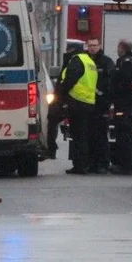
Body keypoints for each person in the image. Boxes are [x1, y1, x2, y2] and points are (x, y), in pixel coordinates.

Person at [57, 44, 98, 175]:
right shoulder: (89, 61)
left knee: (77, 135)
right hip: (88, 102)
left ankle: (79, 165)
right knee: (84, 135)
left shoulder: (76, 60)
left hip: (77, 102)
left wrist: (62, 93)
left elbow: (70, 79)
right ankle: (84, 164)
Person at [110, 39, 132, 175]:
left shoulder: (126, 63)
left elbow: (128, 83)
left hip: (125, 105)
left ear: (122, 48)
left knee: (124, 135)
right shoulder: (131, 61)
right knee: (127, 135)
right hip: (125, 104)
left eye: (118, 47)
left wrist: (116, 91)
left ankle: (127, 165)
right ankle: (130, 164)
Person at [47, 45, 81, 160]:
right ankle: (51, 148)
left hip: (70, 100)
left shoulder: (74, 62)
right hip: (72, 100)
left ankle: (51, 149)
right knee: (52, 120)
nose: (67, 52)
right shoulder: (74, 61)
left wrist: (62, 95)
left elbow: (67, 82)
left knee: (53, 119)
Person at [86, 37, 113, 175]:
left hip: (101, 104)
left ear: (100, 46)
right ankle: (91, 163)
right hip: (87, 104)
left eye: (94, 45)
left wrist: (105, 99)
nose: (92, 48)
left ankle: (103, 163)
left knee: (101, 135)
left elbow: (111, 82)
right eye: (90, 45)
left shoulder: (106, 62)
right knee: (89, 135)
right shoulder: (85, 61)